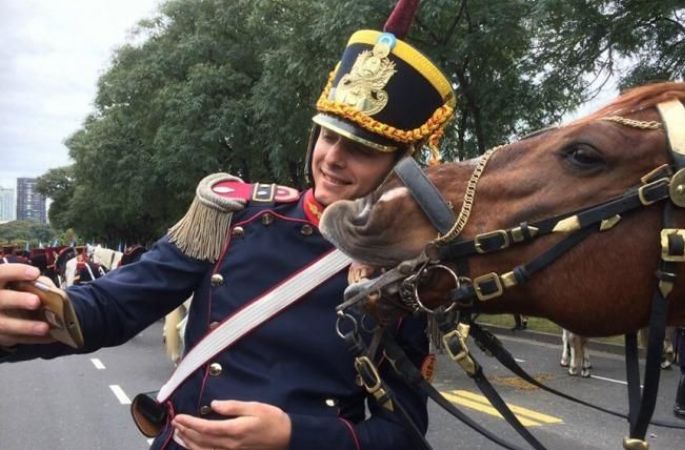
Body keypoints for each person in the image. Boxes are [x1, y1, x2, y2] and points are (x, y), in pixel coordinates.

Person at [0, 4, 456, 449]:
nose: (333, 157)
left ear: (402, 167)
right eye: (329, 135)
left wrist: (293, 436)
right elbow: (115, 304)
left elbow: (403, 434)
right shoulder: (233, 214)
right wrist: (23, 311)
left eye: (361, 148)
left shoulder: (410, 277)